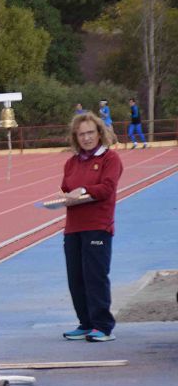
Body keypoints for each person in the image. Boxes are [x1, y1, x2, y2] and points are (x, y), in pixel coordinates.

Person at [59, 113, 123, 342]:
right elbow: (66, 188)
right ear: (75, 137)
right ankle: (85, 323)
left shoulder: (110, 159)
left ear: (99, 133)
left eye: (90, 133)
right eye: (81, 134)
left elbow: (106, 189)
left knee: (95, 276)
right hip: (73, 227)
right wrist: (64, 198)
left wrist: (84, 191)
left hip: (98, 225)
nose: (86, 138)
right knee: (76, 278)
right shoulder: (72, 162)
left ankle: (103, 326)